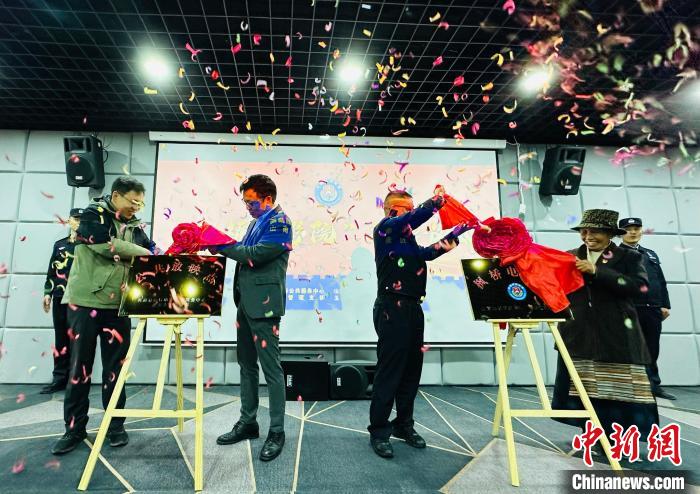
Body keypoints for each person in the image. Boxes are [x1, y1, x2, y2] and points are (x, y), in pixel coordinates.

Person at [51, 177, 155, 455]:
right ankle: (74, 429)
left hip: (118, 307)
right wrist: (144, 252)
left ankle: (115, 426)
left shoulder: (135, 226)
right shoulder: (92, 214)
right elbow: (103, 245)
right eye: (133, 202)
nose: (136, 207)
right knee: (79, 369)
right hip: (85, 304)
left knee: (116, 370)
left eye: (140, 203)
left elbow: (152, 252)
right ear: (116, 196)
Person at [368, 186, 473, 459]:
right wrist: (437, 201)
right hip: (391, 308)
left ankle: (403, 425)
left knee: (411, 371)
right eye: (407, 209)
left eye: (412, 208)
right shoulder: (385, 229)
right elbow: (413, 219)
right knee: (390, 371)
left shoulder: (407, 239)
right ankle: (379, 431)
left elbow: (427, 253)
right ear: (392, 210)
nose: (411, 213)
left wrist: (456, 233)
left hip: (413, 308)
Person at [552, 209, 658, 448]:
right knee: (583, 389)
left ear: (610, 233)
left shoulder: (629, 257)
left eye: (595, 232)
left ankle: (615, 438)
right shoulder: (569, 257)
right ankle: (590, 434)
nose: (588, 236)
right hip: (577, 334)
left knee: (617, 391)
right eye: (584, 231)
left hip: (617, 334)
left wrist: (598, 272)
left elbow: (640, 287)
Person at [212, 174, 292, 462]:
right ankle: (248, 423)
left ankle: (277, 431)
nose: (248, 207)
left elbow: (255, 255)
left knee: (271, 370)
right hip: (245, 304)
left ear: (268, 199)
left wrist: (221, 245)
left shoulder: (280, 222)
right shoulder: (255, 222)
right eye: (245, 202)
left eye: (252, 202)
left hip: (265, 306)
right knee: (246, 365)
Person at [619, 217, 675, 400]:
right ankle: (631, 387)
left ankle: (653, 385)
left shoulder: (650, 254)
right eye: (628, 229)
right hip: (630, 309)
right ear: (620, 233)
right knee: (629, 349)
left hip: (652, 309)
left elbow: (660, 281)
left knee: (652, 348)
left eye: (636, 228)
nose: (633, 232)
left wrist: (665, 304)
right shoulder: (615, 254)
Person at [41, 208, 83, 394]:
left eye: (81, 219)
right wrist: (47, 293)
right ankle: (59, 378)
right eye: (75, 219)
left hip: (79, 299)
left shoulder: (88, 245)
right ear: (69, 220)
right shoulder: (59, 245)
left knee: (79, 339)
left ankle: (75, 379)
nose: (78, 222)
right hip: (59, 297)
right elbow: (52, 271)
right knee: (61, 338)